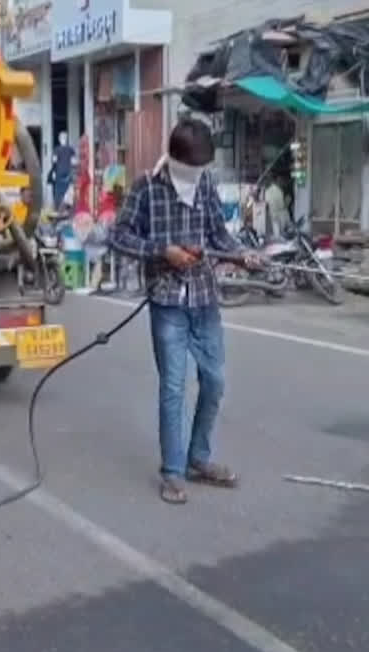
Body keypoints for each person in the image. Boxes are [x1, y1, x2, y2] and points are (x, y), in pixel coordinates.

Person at [110, 118, 258, 504]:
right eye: (192, 168)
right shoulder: (146, 188)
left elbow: (217, 234)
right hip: (167, 302)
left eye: (202, 168)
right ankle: (173, 473)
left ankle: (199, 458)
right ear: (175, 159)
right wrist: (163, 251)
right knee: (173, 389)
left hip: (204, 299)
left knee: (215, 381)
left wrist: (240, 255)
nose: (198, 175)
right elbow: (118, 236)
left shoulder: (205, 185)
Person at [48, 131, 76, 209]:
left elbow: (54, 161)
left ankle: (57, 209)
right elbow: (74, 162)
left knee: (58, 192)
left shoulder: (56, 149)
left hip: (59, 172)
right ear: (66, 139)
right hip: (68, 172)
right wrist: (73, 172)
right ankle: (68, 210)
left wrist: (53, 172)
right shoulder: (71, 149)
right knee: (68, 191)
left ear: (59, 139)